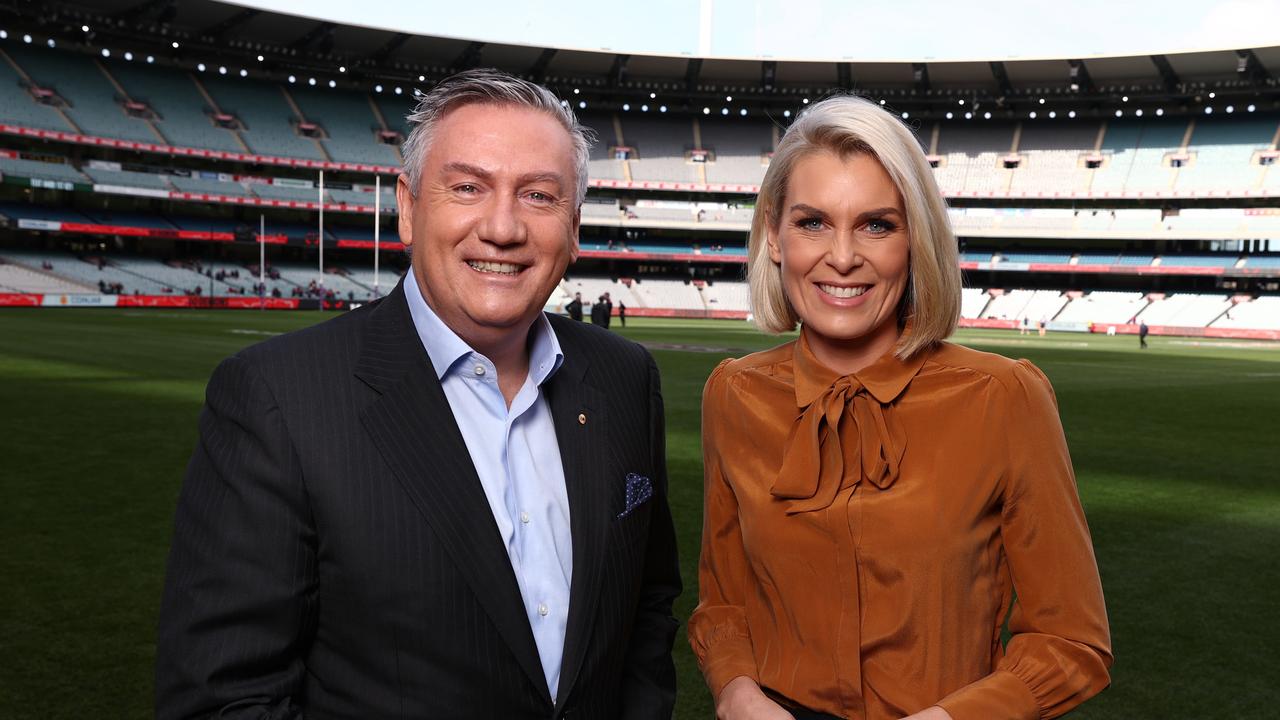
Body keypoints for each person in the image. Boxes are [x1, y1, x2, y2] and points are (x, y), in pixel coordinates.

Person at [156, 69, 681, 720]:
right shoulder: (276, 399)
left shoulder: (626, 379)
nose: (502, 227)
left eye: (539, 197)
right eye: (467, 187)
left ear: (574, 226)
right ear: (407, 206)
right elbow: (223, 699)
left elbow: (647, 610)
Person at [689, 96, 1111, 720]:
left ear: (915, 240)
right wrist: (736, 690)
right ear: (773, 236)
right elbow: (723, 601)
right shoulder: (733, 395)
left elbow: (1072, 643)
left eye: (876, 225)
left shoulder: (1004, 397)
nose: (842, 256)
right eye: (812, 223)